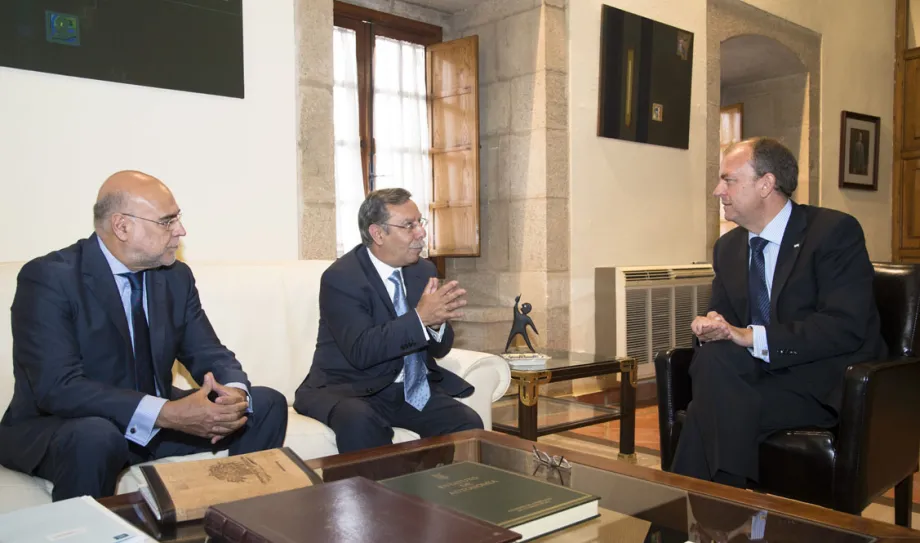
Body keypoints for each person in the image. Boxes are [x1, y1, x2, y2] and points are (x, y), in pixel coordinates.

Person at [0, 171, 288, 501]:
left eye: (177, 218)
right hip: (66, 425)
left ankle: (236, 523)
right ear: (122, 226)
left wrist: (233, 393)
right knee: (96, 436)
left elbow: (207, 351)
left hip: (154, 420)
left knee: (263, 404)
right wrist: (166, 413)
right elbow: (58, 388)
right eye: (167, 221)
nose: (181, 230)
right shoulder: (50, 278)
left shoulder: (175, 277)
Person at [671, 138, 886, 488]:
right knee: (711, 361)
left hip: (817, 380)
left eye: (728, 180)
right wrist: (713, 326)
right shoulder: (728, 248)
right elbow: (723, 318)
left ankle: (698, 521)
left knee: (704, 412)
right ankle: (725, 524)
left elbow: (844, 327)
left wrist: (751, 336)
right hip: (753, 376)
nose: (717, 190)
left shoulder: (833, 232)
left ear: (766, 184)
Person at [293, 188, 483, 453]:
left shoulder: (423, 270)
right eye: (409, 225)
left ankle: (439, 494)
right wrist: (421, 318)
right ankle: (373, 495)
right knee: (361, 422)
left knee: (467, 424)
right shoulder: (342, 278)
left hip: (407, 389)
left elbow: (438, 349)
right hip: (348, 388)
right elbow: (362, 350)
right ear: (378, 234)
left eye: (420, 222)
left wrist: (436, 324)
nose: (421, 233)